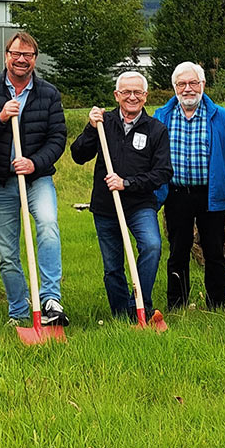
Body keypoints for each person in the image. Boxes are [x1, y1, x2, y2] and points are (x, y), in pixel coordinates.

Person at [0, 31, 69, 326]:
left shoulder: (48, 93)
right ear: (6, 56)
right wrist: (1, 117)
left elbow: (58, 138)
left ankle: (50, 299)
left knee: (48, 226)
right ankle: (18, 309)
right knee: (7, 251)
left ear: (34, 59)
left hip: (37, 179)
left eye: (27, 55)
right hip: (0, 180)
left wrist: (34, 163)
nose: (21, 60)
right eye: (16, 54)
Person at [70, 72, 172, 319]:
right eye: (126, 92)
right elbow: (78, 155)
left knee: (152, 246)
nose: (132, 97)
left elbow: (163, 172)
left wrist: (127, 183)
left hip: (140, 204)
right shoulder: (104, 123)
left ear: (145, 96)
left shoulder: (156, 129)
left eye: (137, 92)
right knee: (112, 266)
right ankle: (120, 315)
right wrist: (91, 128)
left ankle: (139, 305)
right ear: (117, 95)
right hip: (106, 206)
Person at [153, 62, 225, 311]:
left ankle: (217, 304)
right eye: (182, 84)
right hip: (176, 194)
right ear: (174, 88)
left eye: (193, 83)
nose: (188, 89)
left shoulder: (221, 116)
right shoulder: (162, 117)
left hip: (210, 194)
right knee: (178, 251)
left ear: (203, 84)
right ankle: (177, 304)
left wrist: (220, 177)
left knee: (214, 251)